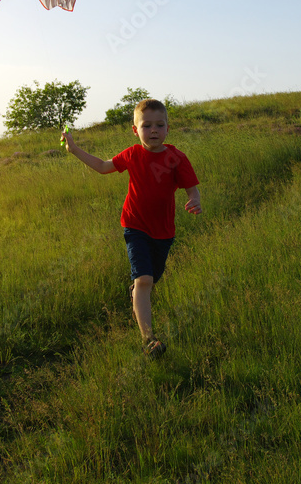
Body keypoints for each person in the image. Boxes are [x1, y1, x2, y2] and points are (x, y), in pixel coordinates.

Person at [61, 98, 201, 358]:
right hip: (135, 226)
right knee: (144, 280)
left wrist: (194, 199)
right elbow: (103, 167)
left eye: (160, 124)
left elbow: (191, 188)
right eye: (147, 125)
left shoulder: (176, 158)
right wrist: (75, 149)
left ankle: (136, 293)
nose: (154, 130)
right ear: (135, 130)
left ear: (168, 129)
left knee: (150, 280)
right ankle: (150, 340)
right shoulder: (132, 154)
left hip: (164, 232)